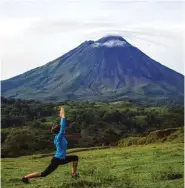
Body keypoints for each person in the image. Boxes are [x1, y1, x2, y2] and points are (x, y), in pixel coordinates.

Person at [22, 107, 79, 184]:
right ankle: (25, 178)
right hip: (57, 160)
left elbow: (61, 127)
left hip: (62, 159)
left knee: (75, 158)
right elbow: (62, 126)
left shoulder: (58, 137)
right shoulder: (59, 137)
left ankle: (74, 174)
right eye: (62, 130)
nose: (64, 130)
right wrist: (62, 116)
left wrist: (61, 115)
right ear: (59, 131)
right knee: (44, 174)